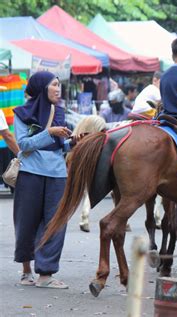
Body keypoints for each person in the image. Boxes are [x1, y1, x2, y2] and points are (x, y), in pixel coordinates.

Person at [13, 71, 83, 289]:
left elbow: (59, 146)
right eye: (54, 84)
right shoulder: (22, 113)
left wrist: (72, 142)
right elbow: (23, 144)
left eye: (59, 85)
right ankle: (26, 270)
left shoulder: (59, 111)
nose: (58, 89)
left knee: (56, 224)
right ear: (42, 87)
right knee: (27, 223)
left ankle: (46, 274)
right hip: (30, 174)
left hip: (57, 174)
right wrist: (49, 132)